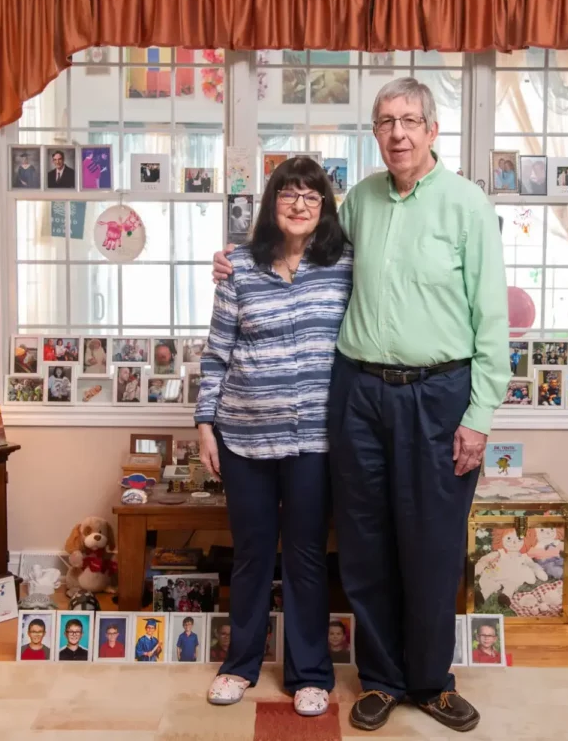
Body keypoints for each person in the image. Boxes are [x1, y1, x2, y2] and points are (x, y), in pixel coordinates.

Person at [212, 77, 508, 733]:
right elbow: (299, 245)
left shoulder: (467, 205)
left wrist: (479, 416)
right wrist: (235, 260)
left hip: (439, 394)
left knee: (431, 544)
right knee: (366, 543)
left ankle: (430, 682)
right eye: (385, 122)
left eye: (409, 121)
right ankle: (380, 679)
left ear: (432, 130)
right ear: (375, 133)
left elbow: (492, 318)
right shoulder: (361, 204)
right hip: (359, 394)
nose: (397, 133)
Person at [197, 156, 351, 718]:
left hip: (314, 439)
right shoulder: (238, 266)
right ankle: (239, 665)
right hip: (243, 435)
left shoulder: (345, 265)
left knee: (307, 555)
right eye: (288, 194)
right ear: (271, 203)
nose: (299, 204)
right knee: (252, 554)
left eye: (311, 195)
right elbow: (217, 351)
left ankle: (310, 673)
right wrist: (205, 424)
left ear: (324, 207)